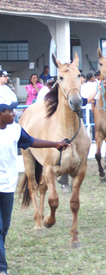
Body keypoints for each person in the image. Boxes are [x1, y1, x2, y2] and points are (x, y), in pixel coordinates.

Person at [0, 97, 70, 275]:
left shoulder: (15, 129)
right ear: (0, 114)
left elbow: (31, 141)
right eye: (9, 111)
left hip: (8, 186)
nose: (14, 113)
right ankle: (2, 269)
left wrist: (56, 144)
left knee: (5, 227)